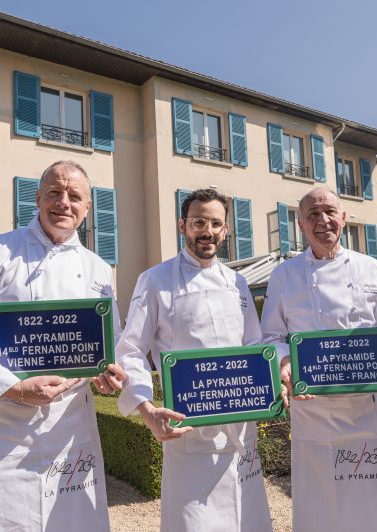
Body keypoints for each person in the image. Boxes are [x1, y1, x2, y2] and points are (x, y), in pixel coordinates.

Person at [0, 160, 125, 531]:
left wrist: (108, 374)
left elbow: (113, 343)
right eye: (55, 193)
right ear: (38, 198)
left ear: (87, 207)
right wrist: (12, 387)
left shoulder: (98, 269)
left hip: (70, 433)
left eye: (75, 196)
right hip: (3, 429)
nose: (64, 202)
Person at [115, 189, 273, 532]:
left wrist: (272, 391)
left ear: (226, 230)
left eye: (216, 223)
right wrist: (145, 408)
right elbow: (130, 351)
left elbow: (255, 347)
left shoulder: (238, 282)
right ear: (182, 225)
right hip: (189, 436)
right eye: (199, 221)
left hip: (240, 433)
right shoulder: (155, 280)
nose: (208, 230)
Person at [260, 188, 377, 532]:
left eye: (329, 212)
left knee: (373, 499)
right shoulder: (285, 275)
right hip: (313, 410)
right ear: (301, 224)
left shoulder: (372, 268)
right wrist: (285, 364)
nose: (322, 221)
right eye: (312, 214)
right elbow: (272, 337)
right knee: (320, 501)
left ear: (344, 218)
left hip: (366, 406)